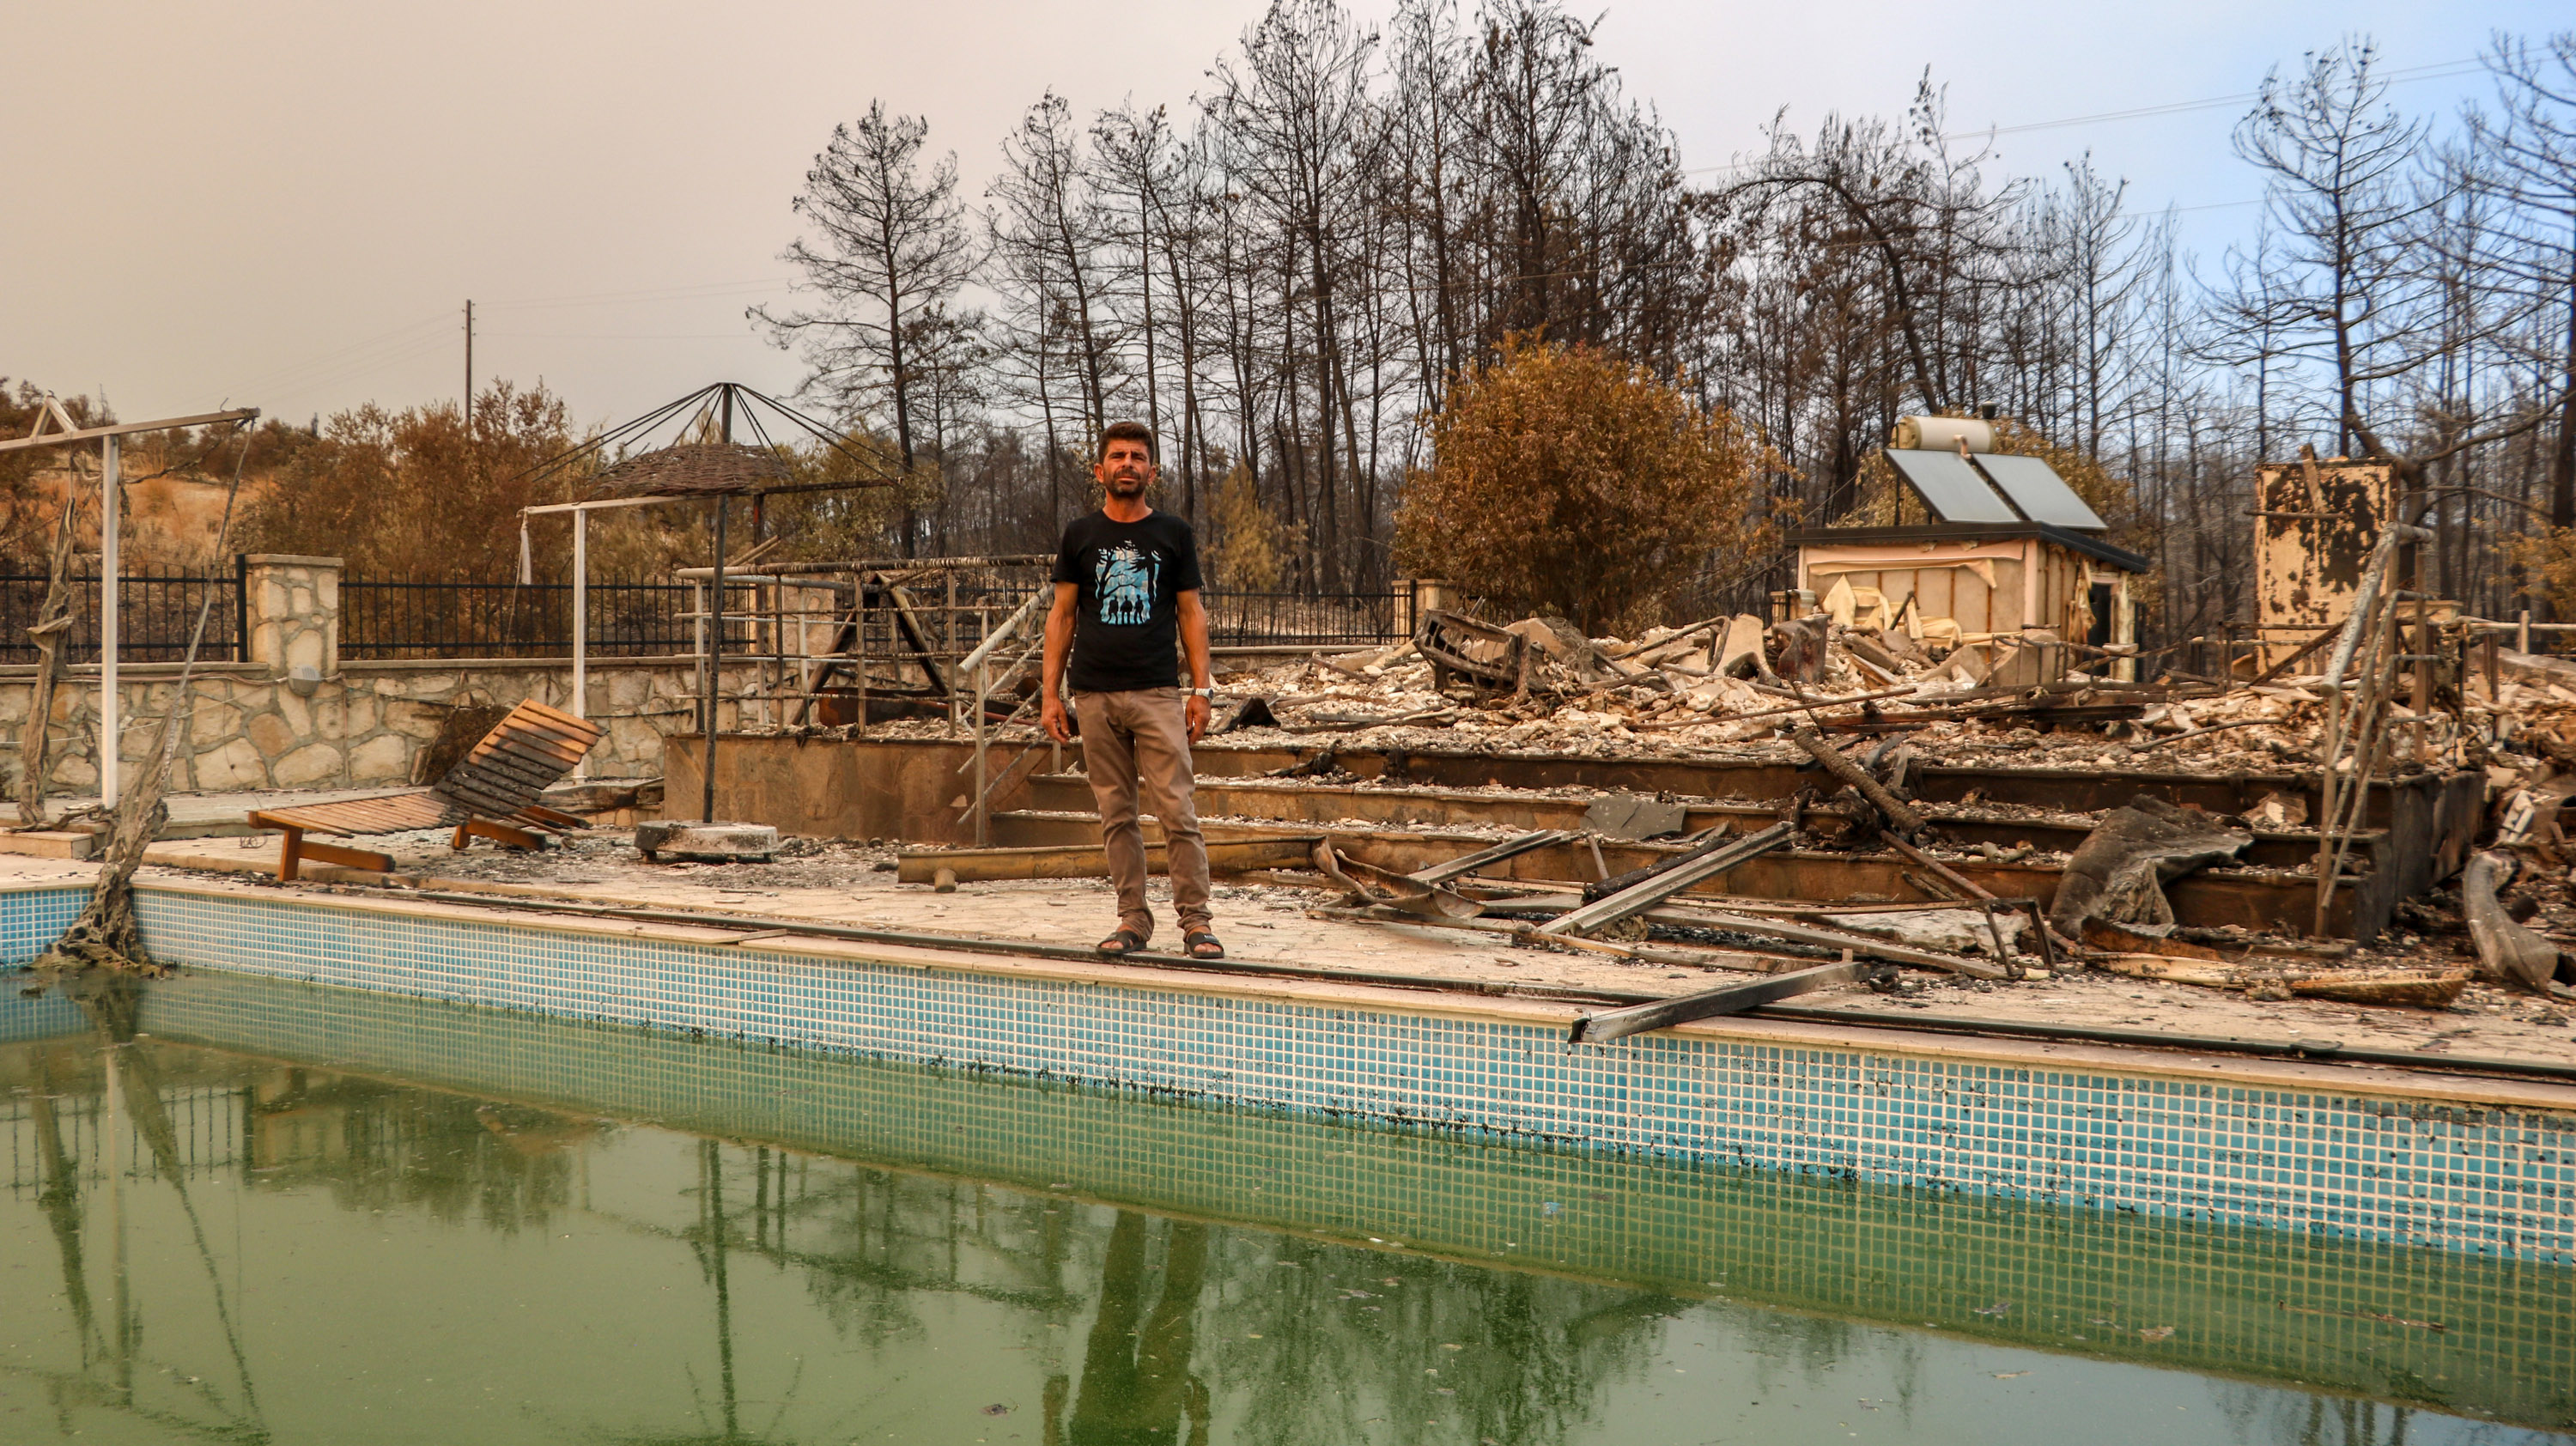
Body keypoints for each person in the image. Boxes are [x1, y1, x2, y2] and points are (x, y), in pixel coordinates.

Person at [1041, 421, 1223, 959]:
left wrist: (1201, 690)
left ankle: (1196, 922)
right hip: (1093, 694)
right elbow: (1062, 616)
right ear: (1100, 471)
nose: (1127, 464)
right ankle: (1132, 921)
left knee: (1177, 812)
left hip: (1158, 693)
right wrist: (1051, 695)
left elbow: (1191, 614)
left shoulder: (1173, 534)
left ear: (1152, 470)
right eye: (1117, 456)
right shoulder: (1080, 535)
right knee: (1116, 814)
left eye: (1137, 456)